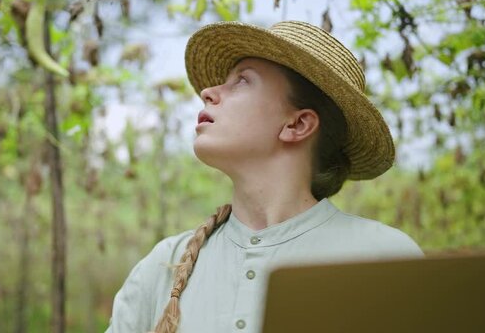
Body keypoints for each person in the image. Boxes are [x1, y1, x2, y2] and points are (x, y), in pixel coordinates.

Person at [105, 21, 423, 333]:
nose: (207, 92)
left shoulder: (385, 257)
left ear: (297, 125)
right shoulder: (163, 266)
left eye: (242, 81)